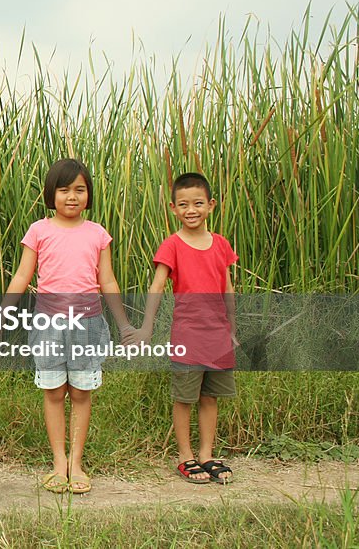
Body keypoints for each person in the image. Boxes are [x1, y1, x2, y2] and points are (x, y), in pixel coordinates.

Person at [3, 158, 134, 495]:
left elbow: (107, 280)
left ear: (88, 195)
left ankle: (77, 463)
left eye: (79, 190)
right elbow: (22, 275)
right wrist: (4, 310)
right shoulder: (39, 231)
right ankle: (58, 463)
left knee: (80, 392)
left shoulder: (98, 234)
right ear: (52, 194)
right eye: (64, 190)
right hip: (48, 324)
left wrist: (122, 323)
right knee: (54, 392)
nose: (72, 197)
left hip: (88, 324)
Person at [125, 172, 238, 484]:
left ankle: (207, 454)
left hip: (218, 335)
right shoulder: (172, 245)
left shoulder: (221, 244)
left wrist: (232, 329)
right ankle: (185, 456)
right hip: (188, 334)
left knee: (210, 396)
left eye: (198, 203)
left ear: (211, 205)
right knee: (185, 397)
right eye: (184, 204)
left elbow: (227, 287)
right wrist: (146, 328)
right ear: (173, 208)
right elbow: (157, 285)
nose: (191, 210)